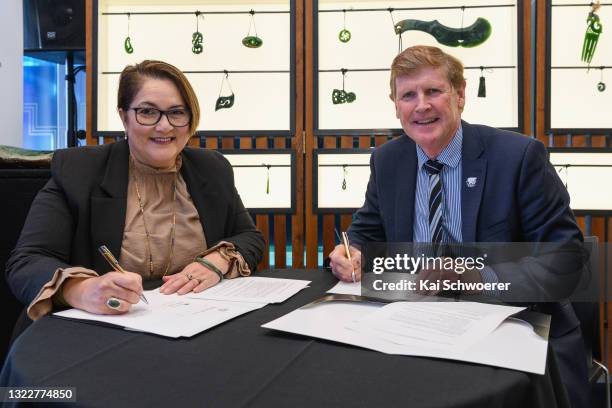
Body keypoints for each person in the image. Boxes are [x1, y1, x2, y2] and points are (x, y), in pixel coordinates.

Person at [328, 45, 589, 407]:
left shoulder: (519, 157)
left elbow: (566, 259)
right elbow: (366, 230)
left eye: (433, 91)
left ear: (460, 94)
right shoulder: (388, 160)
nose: (421, 105)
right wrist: (351, 250)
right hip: (411, 326)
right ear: (396, 104)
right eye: (408, 95)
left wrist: (479, 278)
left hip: (510, 332)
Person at [6, 60, 264, 319]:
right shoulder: (79, 170)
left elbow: (249, 237)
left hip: (196, 321)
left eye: (177, 112)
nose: (165, 126)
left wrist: (214, 263)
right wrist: (82, 289)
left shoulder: (212, 168)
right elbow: (27, 261)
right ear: (124, 116)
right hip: (103, 328)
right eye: (148, 112)